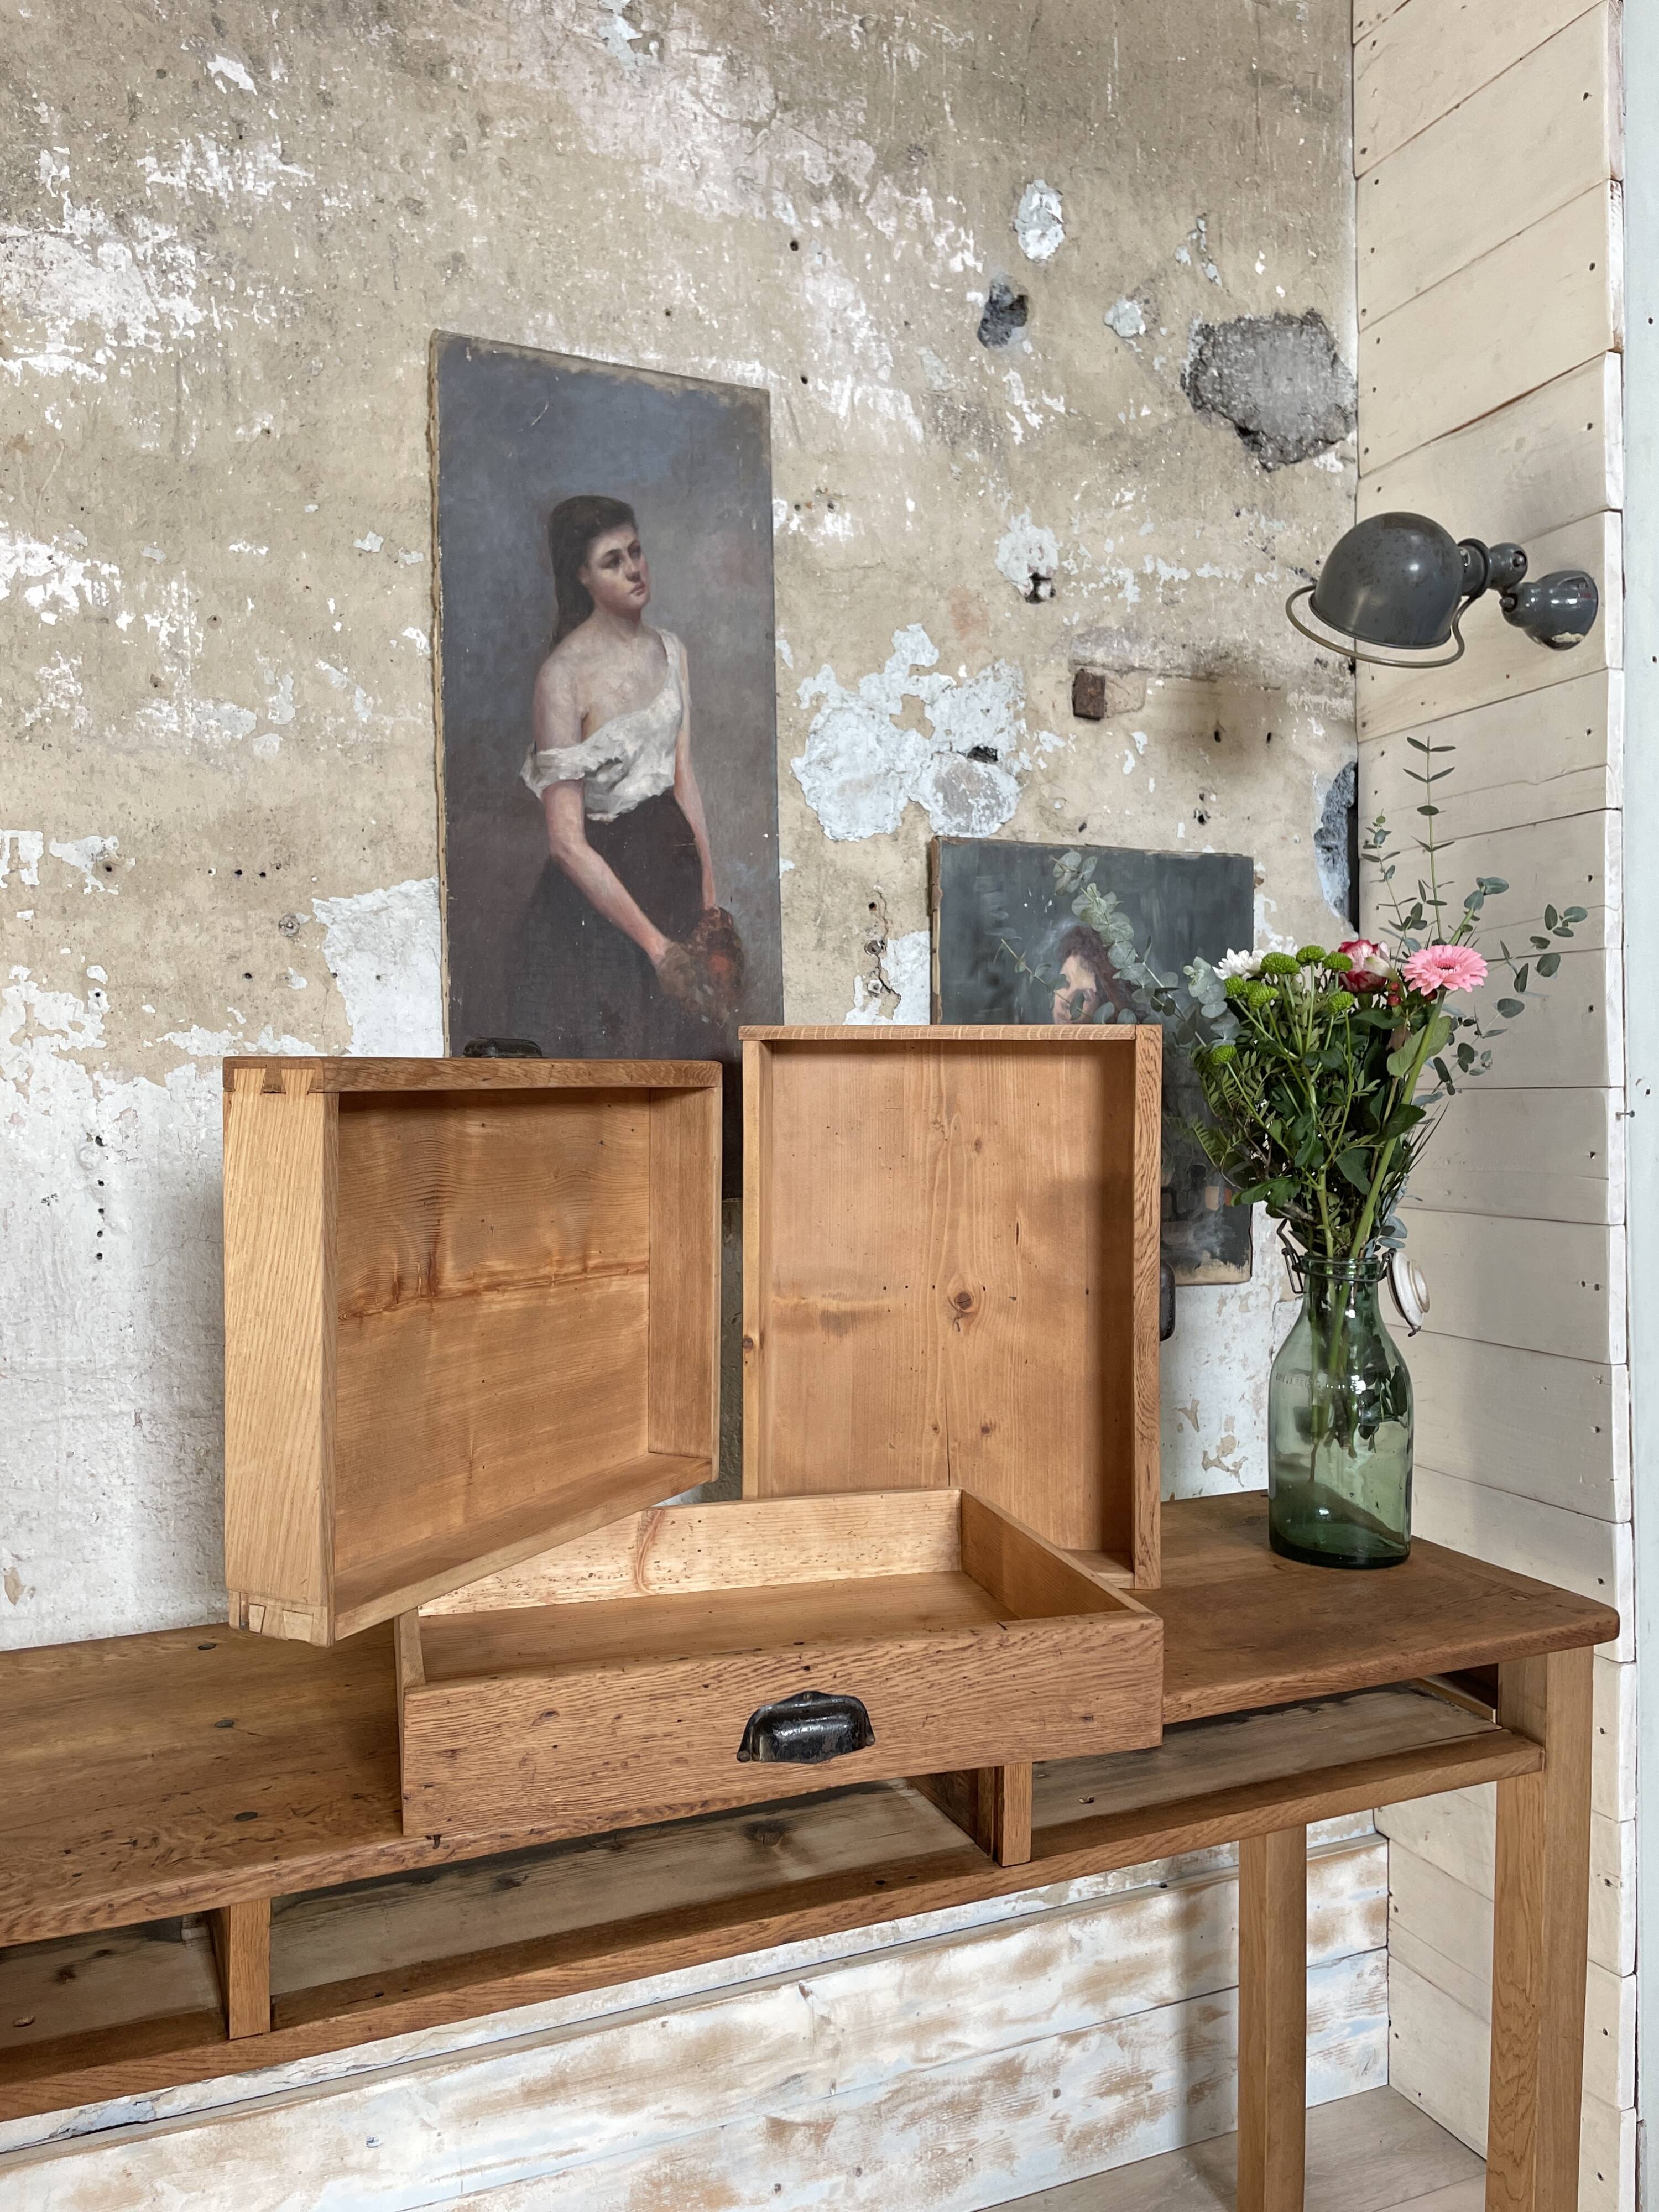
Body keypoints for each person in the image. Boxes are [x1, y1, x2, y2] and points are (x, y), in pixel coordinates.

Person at [513, 495, 742, 1052]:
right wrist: (659, 949)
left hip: (674, 874)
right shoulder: (562, 676)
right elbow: (567, 843)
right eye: (612, 561)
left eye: (636, 552)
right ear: (583, 577)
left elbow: (683, 776)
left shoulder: (672, 650)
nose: (634, 569)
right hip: (602, 900)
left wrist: (709, 906)